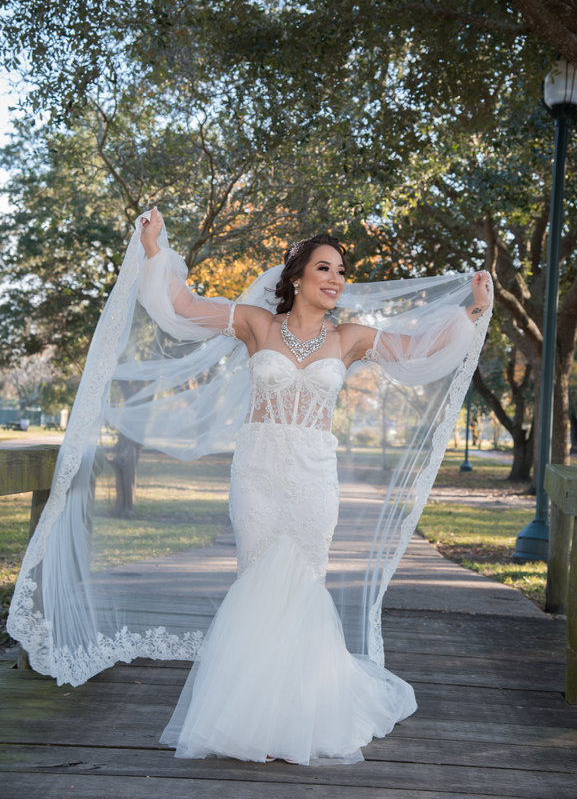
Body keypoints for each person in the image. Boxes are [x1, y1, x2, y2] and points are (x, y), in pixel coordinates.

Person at [7, 206, 491, 766]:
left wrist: (473, 311)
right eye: (325, 269)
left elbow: (418, 351)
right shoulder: (257, 325)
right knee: (258, 578)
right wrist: (155, 251)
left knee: (302, 581)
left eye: (341, 272)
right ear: (296, 278)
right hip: (257, 470)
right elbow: (183, 308)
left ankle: (306, 709)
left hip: (314, 474)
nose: (336, 280)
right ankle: (247, 715)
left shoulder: (352, 337)